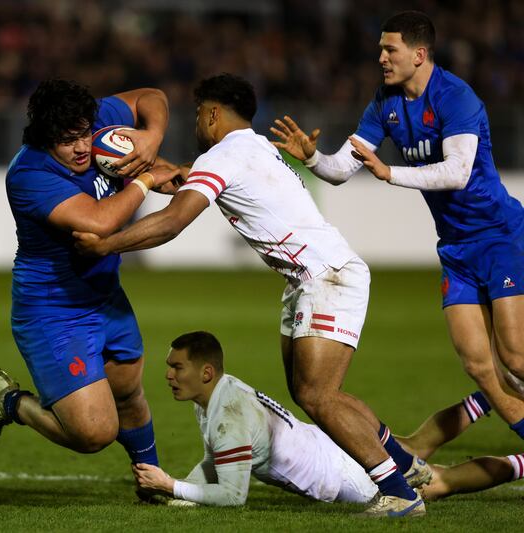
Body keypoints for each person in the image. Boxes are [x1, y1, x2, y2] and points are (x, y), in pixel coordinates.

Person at [73, 73, 425, 517]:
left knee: (319, 395)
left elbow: (173, 221)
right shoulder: (255, 147)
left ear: (213, 114)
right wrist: (168, 170)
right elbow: (200, 179)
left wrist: (107, 243)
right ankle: (408, 465)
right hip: (309, 277)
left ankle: (399, 492)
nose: (198, 122)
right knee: (309, 392)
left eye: (200, 114)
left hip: (325, 275)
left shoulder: (223, 156)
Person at [270, 10, 524, 446]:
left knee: (516, 359)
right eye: (380, 50)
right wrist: (313, 158)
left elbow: (458, 172)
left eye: (391, 50)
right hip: (456, 249)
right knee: (480, 366)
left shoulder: (455, 97)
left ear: (419, 54)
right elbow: (343, 169)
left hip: (501, 236)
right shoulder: (384, 103)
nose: (382, 58)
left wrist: (391, 174)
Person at [0, 78, 179, 491]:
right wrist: (146, 178)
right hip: (53, 310)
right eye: (68, 141)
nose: (83, 147)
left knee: (128, 392)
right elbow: (100, 223)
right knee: (94, 433)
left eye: (85, 134)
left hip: (104, 296)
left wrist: (149, 139)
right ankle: (10, 402)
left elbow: (150, 97)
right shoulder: (30, 174)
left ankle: (151, 486)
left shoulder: (94, 120)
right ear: (46, 138)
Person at [132, 331, 524, 507]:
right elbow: (218, 460)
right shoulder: (223, 389)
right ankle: (490, 394)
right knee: (415, 446)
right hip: (327, 439)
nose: (167, 374)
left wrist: (172, 487)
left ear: (205, 372)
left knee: (438, 481)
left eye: (176, 367)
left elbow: (233, 497)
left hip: (344, 476)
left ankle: (514, 444)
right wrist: (178, 490)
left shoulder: (227, 417)